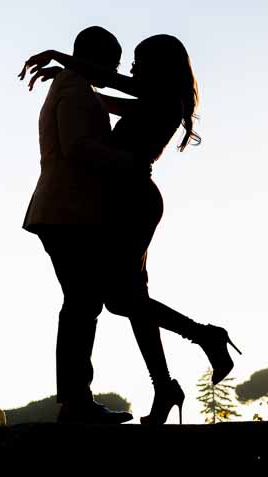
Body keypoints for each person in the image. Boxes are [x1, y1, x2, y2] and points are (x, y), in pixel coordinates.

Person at [21, 34, 241, 425]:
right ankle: (165, 385)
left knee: (119, 300)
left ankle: (203, 338)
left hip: (132, 200)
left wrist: (64, 60)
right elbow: (104, 98)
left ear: (159, 67)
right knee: (129, 297)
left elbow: (116, 89)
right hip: (123, 200)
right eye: (129, 61)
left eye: (139, 61)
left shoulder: (163, 96)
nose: (131, 69)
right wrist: (71, 76)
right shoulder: (154, 98)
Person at [21, 26, 139, 424]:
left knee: (81, 303)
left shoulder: (73, 85)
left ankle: (75, 400)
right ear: (99, 60)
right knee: (81, 304)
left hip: (60, 211)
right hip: (66, 212)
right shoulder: (74, 88)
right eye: (113, 65)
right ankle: (76, 402)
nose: (115, 71)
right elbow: (77, 146)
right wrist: (128, 164)